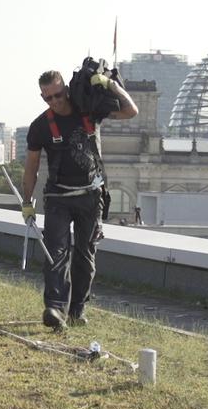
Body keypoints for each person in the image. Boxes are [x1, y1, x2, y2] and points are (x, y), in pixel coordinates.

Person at [23, 69, 138, 329]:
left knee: (85, 255)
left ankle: (77, 310)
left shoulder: (89, 109)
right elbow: (31, 168)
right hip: (58, 197)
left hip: (90, 196)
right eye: (48, 98)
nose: (55, 101)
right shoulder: (40, 126)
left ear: (66, 89)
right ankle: (54, 308)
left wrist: (110, 85)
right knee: (56, 252)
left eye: (58, 94)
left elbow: (131, 111)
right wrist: (27, 203)